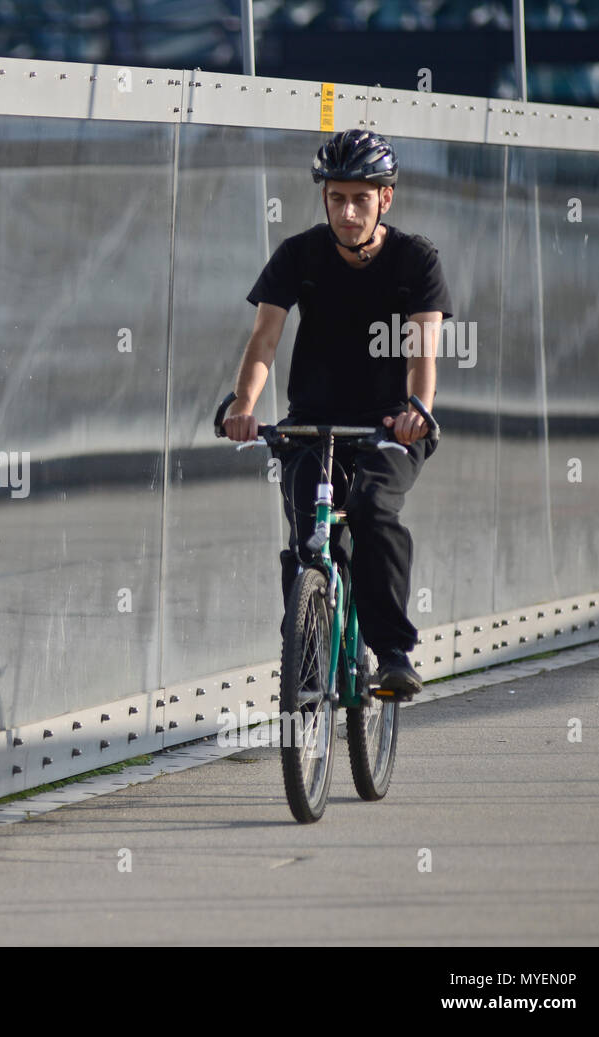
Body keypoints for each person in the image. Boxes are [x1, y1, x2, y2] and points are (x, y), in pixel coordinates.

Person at [221, 129, 452, 698]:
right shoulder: (299, 254)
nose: (347, 212)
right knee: (308, 538)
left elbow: (424, 351)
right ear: (323, 197)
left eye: (361, 199)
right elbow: (263, 341)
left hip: (391, 427)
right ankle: (304, 653)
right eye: (336, 198)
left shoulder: (415, 259)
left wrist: (418, 410)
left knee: (373, 510)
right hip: (313, 425)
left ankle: (393, 652)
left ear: (386, 198)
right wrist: (243, 406)